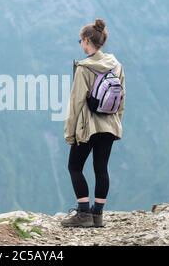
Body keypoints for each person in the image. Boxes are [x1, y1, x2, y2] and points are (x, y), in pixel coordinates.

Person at [61, 18, 125, 228]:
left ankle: (83, 213)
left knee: (74, 167)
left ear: (87, 40)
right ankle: (97, 215)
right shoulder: (116, 66)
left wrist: (70, 133)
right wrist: (117, 124)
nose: (80, 44)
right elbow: (121, 98)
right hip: (110, 126)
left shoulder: (84, 68)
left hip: (89, 128)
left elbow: (76, 103)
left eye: (80, 40)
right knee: (101, 168)